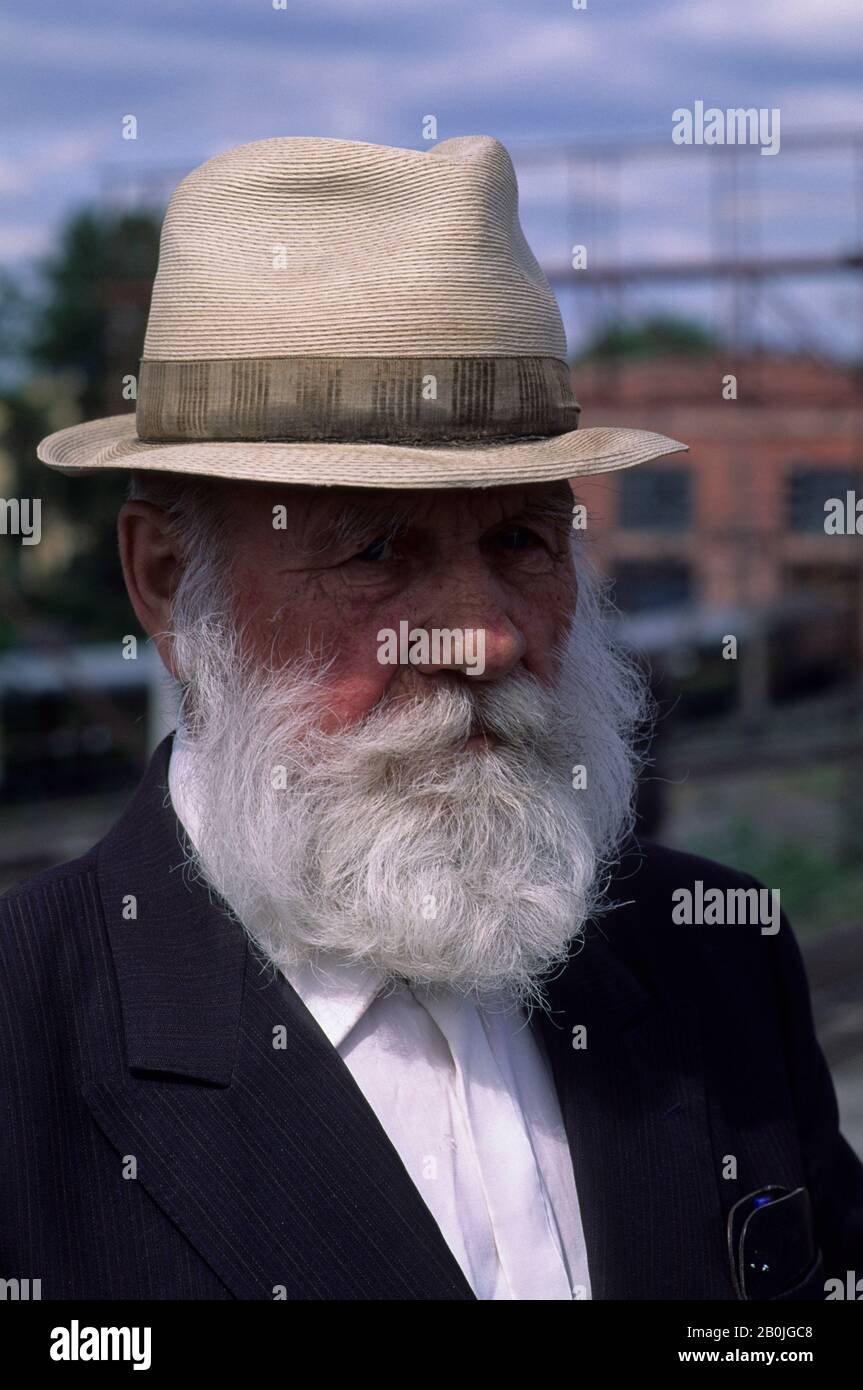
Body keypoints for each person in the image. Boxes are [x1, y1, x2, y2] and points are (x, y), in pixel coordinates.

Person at [3, 134, 861, 1300]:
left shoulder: (715, 955)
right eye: (372, 549)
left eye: (520, 538)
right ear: (164, 580)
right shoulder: (25, 1045)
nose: (486, 637)